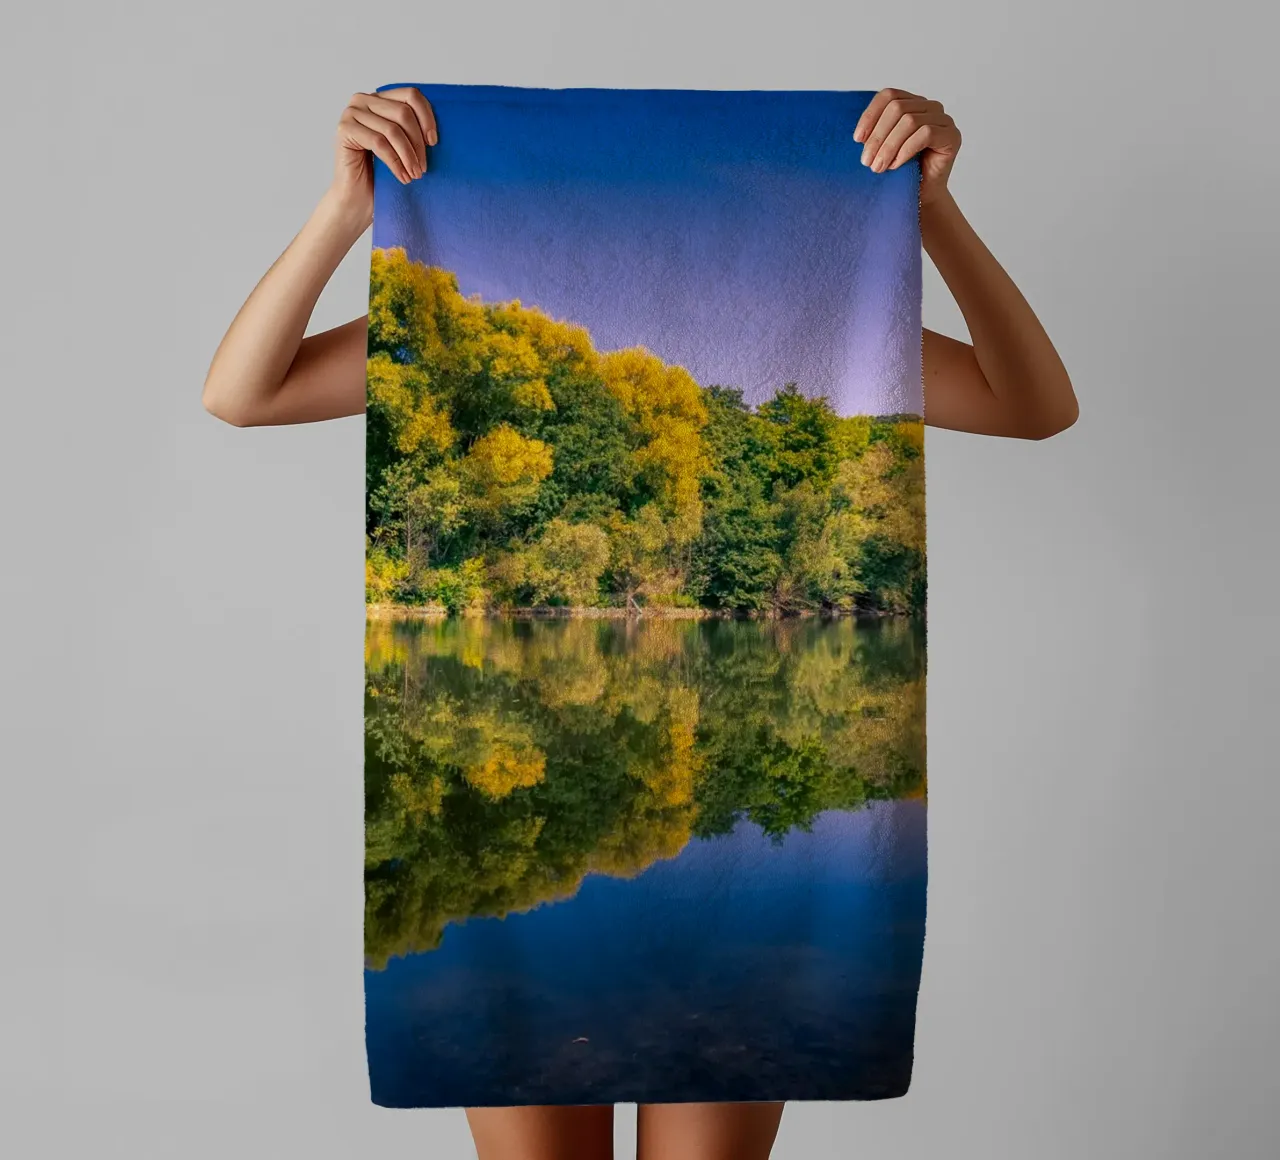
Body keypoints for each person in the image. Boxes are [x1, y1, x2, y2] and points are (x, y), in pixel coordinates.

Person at [204, 85, 1077, 1160]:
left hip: (731, 918)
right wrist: (345, 212)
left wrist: (929, 213)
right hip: (515, 925)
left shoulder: (821, 328)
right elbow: (240, 392)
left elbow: (1036, 405)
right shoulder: (451, 336)